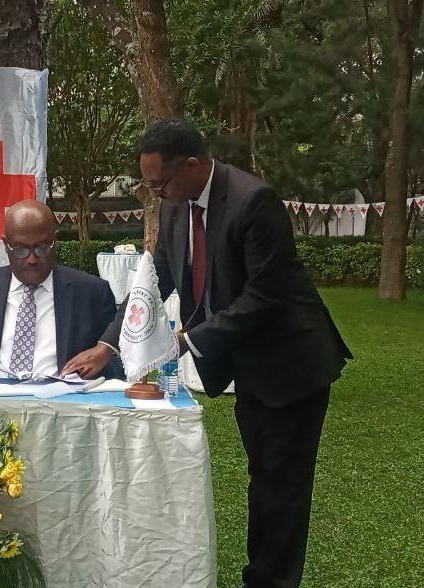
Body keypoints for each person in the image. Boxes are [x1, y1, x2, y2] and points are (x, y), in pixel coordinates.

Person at [77, 118, 352, 588]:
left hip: (291, 364)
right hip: (247, 361)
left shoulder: (253, 202)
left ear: (191, 166)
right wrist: (107, 344)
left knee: (280, 486)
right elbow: (152, 283)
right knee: (264, 475)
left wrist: (186, 340)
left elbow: (266, 297)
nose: (155, 194)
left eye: (159, 184)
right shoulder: (174, 207)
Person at [0, 200, 120, 379]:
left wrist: (98, 364)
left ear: (55, 241)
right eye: (20, 250)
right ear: (6, 244)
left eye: (42, 248)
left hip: (64, 394)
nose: (32, 259)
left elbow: (115, 361)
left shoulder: (93, 293)